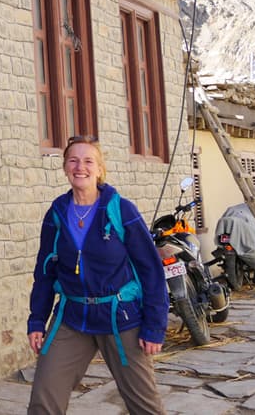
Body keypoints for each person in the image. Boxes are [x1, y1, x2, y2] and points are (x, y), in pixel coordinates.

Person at [26, 135, 168, 415]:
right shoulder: (56, 213)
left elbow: (150, 270)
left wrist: (154, 326)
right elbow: (45, 271)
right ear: (65, 167)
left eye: (88, 161)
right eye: (73, 160)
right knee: (44, 398)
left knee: (145, 406)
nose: (81, 167)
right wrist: (37, 319)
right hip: (72, 317)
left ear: (100, 169)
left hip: (120, 317)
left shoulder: (120, 210)